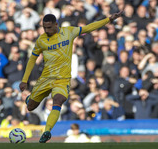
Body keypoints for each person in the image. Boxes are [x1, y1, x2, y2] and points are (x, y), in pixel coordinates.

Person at [19, 11, 123, 143]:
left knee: (58, 100)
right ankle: (30, 99)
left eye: (49, 27)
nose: (47, 30)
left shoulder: (68, 32)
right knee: (31, 107)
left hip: (63, 79)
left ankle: (47, 131)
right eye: (44, 27)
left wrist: (108, 19)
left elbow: (89, 27)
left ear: (56, 25)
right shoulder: (41, 40)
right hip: (46, 78)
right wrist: (24, 80)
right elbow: (32, 59)